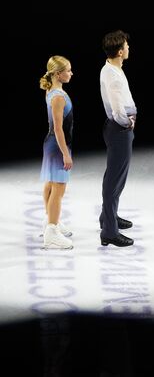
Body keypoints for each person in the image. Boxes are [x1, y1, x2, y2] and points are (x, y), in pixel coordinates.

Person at [99, 30, 136, 247]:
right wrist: (128, 122)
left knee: (116, 179)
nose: (129, 49)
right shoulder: (112, 74)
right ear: (120, 51)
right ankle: (109, 232)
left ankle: (108, 218)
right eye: (127, 47)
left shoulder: (112, 69)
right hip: (119, 130)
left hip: (118, 130)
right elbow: (117, 109)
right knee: (114, 181)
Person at [39, 55, 74, 249]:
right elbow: (59, 128)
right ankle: (52, 231)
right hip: (58, 145)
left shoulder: (51, 91)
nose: (71, 73)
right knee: (59, 188)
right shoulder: (59, 96)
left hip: (52, 144)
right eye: (68, 70)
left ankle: (50, 221)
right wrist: (66, 154)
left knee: (50, 185)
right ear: (58, 74)